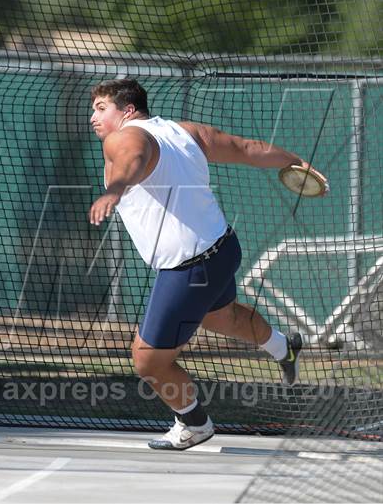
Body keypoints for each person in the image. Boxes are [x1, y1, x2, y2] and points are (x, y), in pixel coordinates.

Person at [89, 78, 326, 451]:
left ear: (128, 111)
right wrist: (294, 160)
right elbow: (246, 148)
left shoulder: (122, 138)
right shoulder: (185, 131)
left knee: (148, 361)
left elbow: (132, 159)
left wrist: (114, 190)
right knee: (221, 317)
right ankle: (285, 348)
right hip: (223, 247)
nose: (94, 117)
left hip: (189, 267)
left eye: (101, 108)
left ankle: (193, 423)